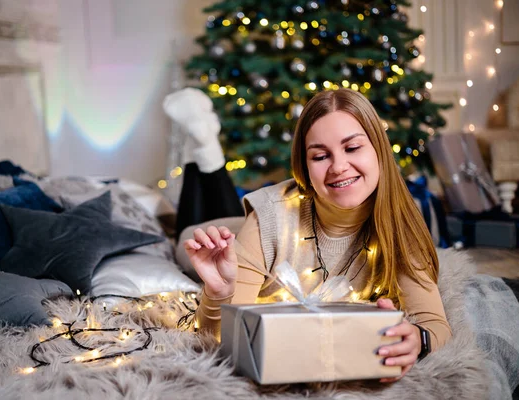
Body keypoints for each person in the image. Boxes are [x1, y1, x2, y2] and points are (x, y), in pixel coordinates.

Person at [166, 88, 452, 382]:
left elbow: (435, 325)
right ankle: (203, 150)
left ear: (378, 148)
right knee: (187, 230)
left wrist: (419, 339)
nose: (339, 167)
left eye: (352, 148)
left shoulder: (399, 221)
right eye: (320, 156)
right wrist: (217, 292)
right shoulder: (268, 218)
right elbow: (222, 339)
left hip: (254, 231)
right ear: (305, 165)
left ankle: (206, 150)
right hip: (232, 233)